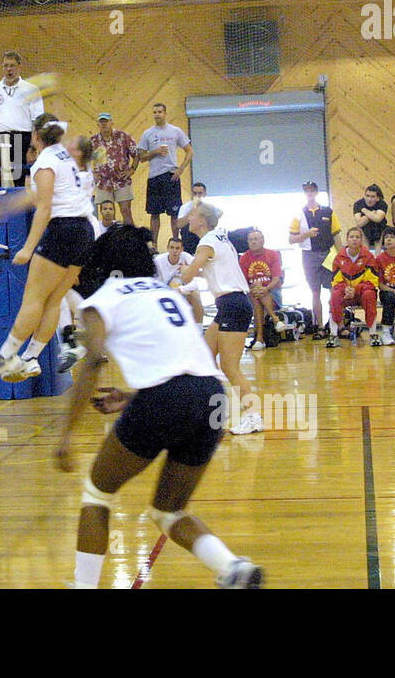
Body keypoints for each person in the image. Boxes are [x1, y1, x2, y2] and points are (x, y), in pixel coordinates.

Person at [54, 225, 262, 589]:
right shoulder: (166, 294)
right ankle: (232, 567)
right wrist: (134, 396)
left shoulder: (102, 299)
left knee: (97, 493)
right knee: (168, 510)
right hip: (211, 397)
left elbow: (92, 362)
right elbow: (186, 367)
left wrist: (65, 436)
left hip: (165, 399)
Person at [0, 112, 95, 384]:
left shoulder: (45, 160)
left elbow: (44, 207)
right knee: (53, 300)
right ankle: (31, 358)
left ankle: (6, 355)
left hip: (62, 231)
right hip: (84, 231)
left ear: (35, 136)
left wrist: (28, 248)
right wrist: (7, 206)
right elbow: (39, 196)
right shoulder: (66, 158)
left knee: (33, 299)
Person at [175, 202, 263, 435]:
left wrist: (184, 270)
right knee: (204, 359)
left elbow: (186, 277)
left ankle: (253, 416)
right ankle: (211, 414)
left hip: (233, 304)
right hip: (230, 304)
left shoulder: (207, 243)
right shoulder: (219, 239)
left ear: (202, 220)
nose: (189, 220)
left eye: (192, 215)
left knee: (230, 367)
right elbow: (211, 270)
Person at [0, 51, 44, 187]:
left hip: (22, 139)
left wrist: (33, 146)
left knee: (20, 177)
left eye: (12, 66)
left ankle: (22, 208)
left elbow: (38, 121)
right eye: (6, 66)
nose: (9, 69)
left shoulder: (31, 89)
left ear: (19, 67)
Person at [136, 103, 193, 251]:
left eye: (160, 112)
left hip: (171, 177)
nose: (157, 114)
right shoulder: (147, 133)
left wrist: (180, 169)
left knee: (174, 214)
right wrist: (154, 152)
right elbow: (141, 157)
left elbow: (189, 151)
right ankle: (154, 246)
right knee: (154, 214)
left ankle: (176, 243)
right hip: (154, 177)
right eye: (154, 112)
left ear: (165, 113)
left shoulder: (175, 131)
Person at [288, 180, 341, 337]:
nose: (309, 193)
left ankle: (337, 324)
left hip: (328, 253)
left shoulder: (328, 211)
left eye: (312, 191)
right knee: (315, 291)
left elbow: (336, 234)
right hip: (309, 255)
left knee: (334, 291)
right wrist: (306, 234)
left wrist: (341, 256)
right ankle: (319, 326)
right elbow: (291, 239)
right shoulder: (298, 214)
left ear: (316, 192)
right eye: (306, 191)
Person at [326, 227, 380, 348]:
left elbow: (372, 281)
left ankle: (373, 333)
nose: (354, 240)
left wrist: (356, 289)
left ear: (361, 240)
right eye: (352, 237)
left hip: (362, 294)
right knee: (334, 295)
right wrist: (346, 289)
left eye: (357, 237)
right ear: (347, 239)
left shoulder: (368, 257)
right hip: (346, 294)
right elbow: (336, 281)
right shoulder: (339, 258)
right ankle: (333, 334)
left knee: (370, 294)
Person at [90, 111, 138, 227]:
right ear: (98, 124)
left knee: (126, 211)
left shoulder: (123, 136)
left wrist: (132, 169)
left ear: (111, 123)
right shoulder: (93, 141)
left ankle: (131, 240)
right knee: (107, 214)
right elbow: (83, 159)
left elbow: (136, 153)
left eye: (106, 121)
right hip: (103, 182)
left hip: (122, 180)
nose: (104, 124)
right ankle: (110, 241)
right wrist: (92, 173)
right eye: (101, 122)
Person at [239, 230, 283, 350]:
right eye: (251, 240)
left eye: (256, 239)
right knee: (255, 294)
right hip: (253, 293)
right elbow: (243, 282)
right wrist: (255, 288)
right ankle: (275, 319)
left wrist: (265, 288)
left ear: (263, 240)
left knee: (258, 294)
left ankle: (259, 338)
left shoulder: (273, 254)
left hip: (273, 292)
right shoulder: (244, 258)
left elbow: (276, 279)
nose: (253, 242)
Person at [154, 236, 204, 325]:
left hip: (183, 289)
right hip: (164, 290)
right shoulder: (158, 261)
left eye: (177, 248)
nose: (174, 251)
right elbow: (155, 282)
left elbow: (196, 283)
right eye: (172, 248)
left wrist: (180, 290)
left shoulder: (187, 258)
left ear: (182, 249)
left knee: (195, 294)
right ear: (167, 248)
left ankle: (199, 329)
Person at [353, 184, 389, 250]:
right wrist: (372, 214)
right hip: (364, 230)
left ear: (378, 198)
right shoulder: (358, 204)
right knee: (362, 228)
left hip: (380, 229)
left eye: (372, 197)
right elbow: (359, 223)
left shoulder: (382, 204)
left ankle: (378, 253)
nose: (369, 199)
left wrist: (365, 211)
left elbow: (378, 219)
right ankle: (366, 253)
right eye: (367, 196)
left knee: (377, 226)